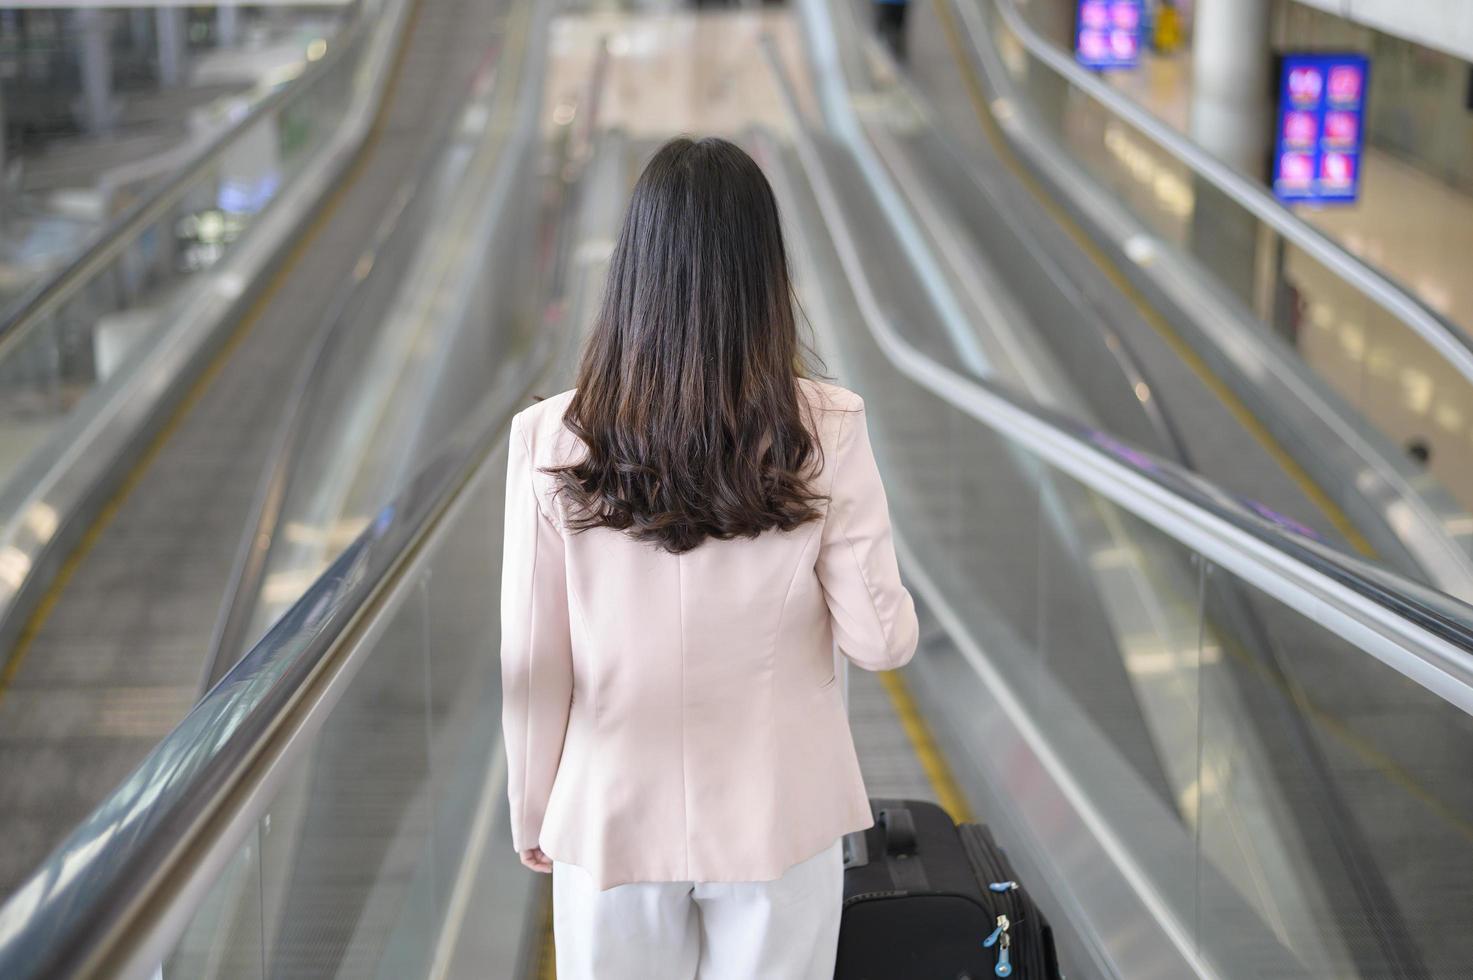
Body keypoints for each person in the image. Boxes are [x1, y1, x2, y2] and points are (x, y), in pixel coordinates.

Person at [499, 136, 918, 979]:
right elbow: (880, 642)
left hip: (609, 810)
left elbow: (534, 658)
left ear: (633, 273)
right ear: (765, 277)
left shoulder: (550, 437)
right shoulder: (823, 427)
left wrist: (533, 809)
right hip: (778, 811)